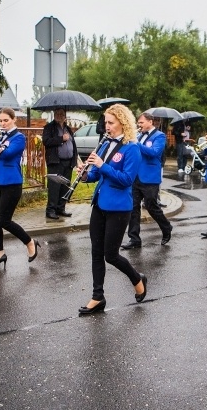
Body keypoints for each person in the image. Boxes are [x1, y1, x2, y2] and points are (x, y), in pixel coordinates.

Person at [78, 104, 146, 316]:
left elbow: (126, 180)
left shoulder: (132, 148)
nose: (106, 127)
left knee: (111, 255)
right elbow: (99, 175)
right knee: (96, 252)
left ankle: (137, 278)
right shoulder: (106, 143)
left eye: (110, 123)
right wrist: (85, 175)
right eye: (105, 122)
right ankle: (97, 297)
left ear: (122, 123)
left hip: (118, 208)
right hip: (99, 204)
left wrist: (101, 165)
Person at [0, 107, 40, 270]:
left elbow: (6, 155)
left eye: (6, 120)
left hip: (12, 184)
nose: (2, 123)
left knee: (4, 220)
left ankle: (30, 242)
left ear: (14, 120)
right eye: (0, 121)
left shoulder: (19, 138)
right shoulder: (2, 137)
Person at [121, 113, 173, 249]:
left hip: (150, 178)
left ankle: (166, 227)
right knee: (133, 208)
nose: (139, 125)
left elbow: (154, 152)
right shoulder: (138, 135)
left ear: (150, 122)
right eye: (138, 123)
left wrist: (136, 143)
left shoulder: (159, 136)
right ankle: (134, 239)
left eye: (142, 122)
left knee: (151, 206)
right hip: (135, 177)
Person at [42, 108, 77, 220]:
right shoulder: (49, 127)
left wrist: (75, 159)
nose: (59, 115)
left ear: (65, 116)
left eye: (62, 114)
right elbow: (46, 141)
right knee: (54, 187)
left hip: (68, 162)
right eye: (57, 114)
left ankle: (60, 208)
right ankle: (50, 210)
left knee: (65, 186)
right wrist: (61, 138)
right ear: (54, 115)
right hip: (56, 162)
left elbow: (73, 144)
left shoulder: (68, 128)